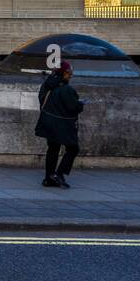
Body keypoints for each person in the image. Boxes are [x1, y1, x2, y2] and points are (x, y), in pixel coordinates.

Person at [35, 60, 82, 188]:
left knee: (53, 149)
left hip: (47, 123)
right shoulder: (66, 89)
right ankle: (59, 174)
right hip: (62, 125)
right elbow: (73, 107)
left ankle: (49, 178)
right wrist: (80, 104)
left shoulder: (47, 85)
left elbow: (42, 100)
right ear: (63, 73)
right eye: (68, 73)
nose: (70, 75)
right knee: (73, 148)